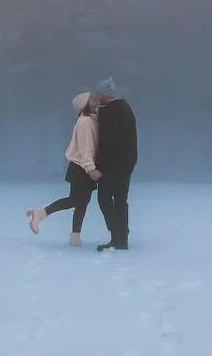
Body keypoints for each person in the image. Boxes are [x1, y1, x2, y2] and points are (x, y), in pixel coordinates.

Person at [26, 92, 102, 247]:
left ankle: (75, 236)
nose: (97, 100)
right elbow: (86, 148)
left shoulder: (92, 120)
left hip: (82, 167)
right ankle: (41, 213)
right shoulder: (86, 122)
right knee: (76, 200)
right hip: (81, 167)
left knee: (82, 202)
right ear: (85, 104)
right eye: (92, 99)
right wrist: (90, 168)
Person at [92, 78, 137, 251]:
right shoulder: (124, 108)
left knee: (104, 198)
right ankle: (121, 237)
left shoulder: (110, 113)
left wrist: (98, 166)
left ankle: (117, 234)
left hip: (114, 165)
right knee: (120, 199)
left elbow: (106, 143)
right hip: (126, 163)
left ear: (104, 95)